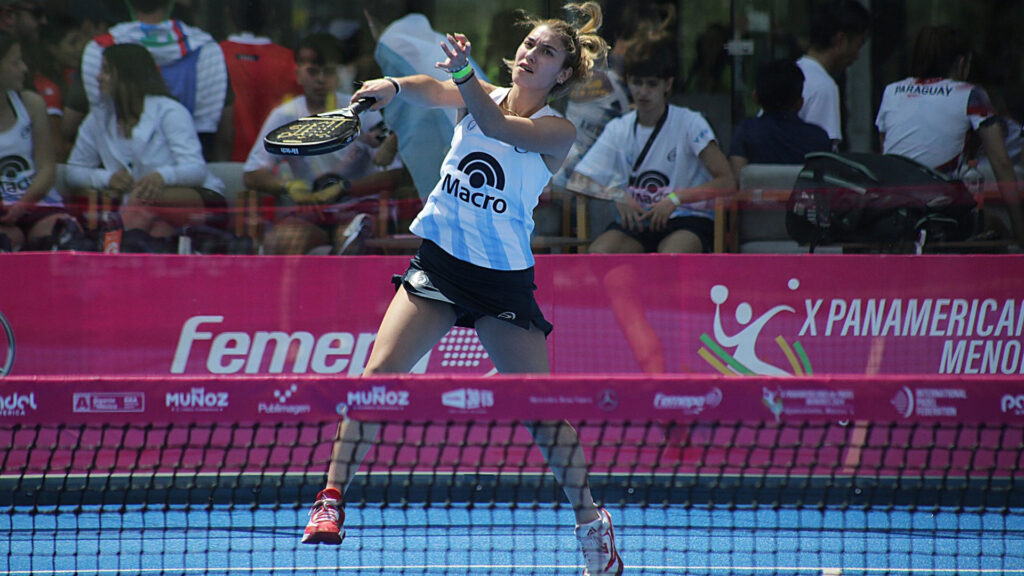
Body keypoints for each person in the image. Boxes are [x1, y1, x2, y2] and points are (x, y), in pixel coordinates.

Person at [301, 4, 625, 575]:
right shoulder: (476, 92)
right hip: (440, 266)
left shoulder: (556, 130)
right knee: (375, 381)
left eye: (547, 52)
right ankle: (330, 501)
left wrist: (463, 76)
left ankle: (591, 524)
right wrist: (395, 84)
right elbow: (432, 90)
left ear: (563, 76)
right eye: (529, 44)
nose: (531, 54)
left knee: (542, 414)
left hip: (501, 283)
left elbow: (497, 127)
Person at [569, 33, 735, 255]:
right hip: (638, 222)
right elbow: (579, 180)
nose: (643, 92)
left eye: (651, 84)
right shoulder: (619, 127)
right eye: (637, 83)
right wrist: (617, 195)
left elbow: (726, 181)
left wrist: (675, 199)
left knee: (671, 256)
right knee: (600, 253)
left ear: (668, 84)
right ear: (628, 81)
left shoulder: (691, 122)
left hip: (686, 218)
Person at [64, 43, 225, 250]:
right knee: (158, 231)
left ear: (127, 75)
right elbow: (72, 172)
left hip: (198, 198)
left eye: (105, 70)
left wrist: (161, 176)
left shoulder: (169, 111)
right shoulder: (97, 117)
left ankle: (109, 251)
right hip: (143, 211)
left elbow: (196, 170)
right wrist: (107, 178)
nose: (98, 77)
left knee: (143, 199)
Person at [242, 33, 391, 255]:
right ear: (298, 73)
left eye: (329, 71)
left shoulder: (364, 111)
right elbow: (251, 173)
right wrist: (288, 186)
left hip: (357, 210)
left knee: (353, 242)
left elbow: (394, 174)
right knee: (281, 242)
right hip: (309, 213)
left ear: (339, 73)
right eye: (313, 71)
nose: (321, 79)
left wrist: (346, 188)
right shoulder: (284, 114)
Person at [875, 25, 1024, 245]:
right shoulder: (971, 94)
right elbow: (1001, 163)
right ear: (963, 62)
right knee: (996, 225)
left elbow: (887, 155)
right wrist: (1019, 231)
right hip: (941, 214)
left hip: (892, 215)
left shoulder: (891, 91)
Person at [68, 0, 231, 161]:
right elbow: (224, 136)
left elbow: (69, 126)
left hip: (121, 172)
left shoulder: (98, 51)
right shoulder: (207, 50)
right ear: (170, 4)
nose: (100, 77)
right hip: (191, 165)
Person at [0, 32, 79, 252]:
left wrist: (22, 205)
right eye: (16, 63)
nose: (25, 68)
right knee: (7, 243)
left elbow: (47, 168)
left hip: (37, 202)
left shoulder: (31, 103)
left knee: (61, 235)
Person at [219, 0, 302, 163]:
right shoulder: (292, 61)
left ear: (228, 14)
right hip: (277, 168)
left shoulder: (215, 55)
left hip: (226, 166)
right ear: (271, 15)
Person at [729, 59, 832, 175]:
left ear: (755, 97)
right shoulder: (819, 138)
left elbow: (739, 180)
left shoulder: (746, 132)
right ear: (800, 103)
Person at [796, 0, 870, 148]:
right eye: (858, 45)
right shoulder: (824, 87)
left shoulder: (792, 73)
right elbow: (822, 155)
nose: (857, 55)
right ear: (840, 40)